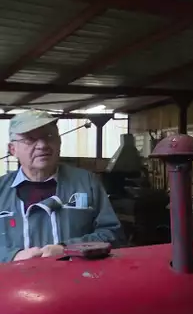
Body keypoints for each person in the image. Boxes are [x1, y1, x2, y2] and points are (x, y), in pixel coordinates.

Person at [0, 110, 124, 263]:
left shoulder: (86, 183)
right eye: (30, 139)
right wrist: (12, 256)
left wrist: (68, 248)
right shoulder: (2, 190)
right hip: (13, 284)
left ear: (59, 142)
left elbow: (113, 234)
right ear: (13, 149)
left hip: (78, 282)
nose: (42, 145)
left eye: (49, 136)